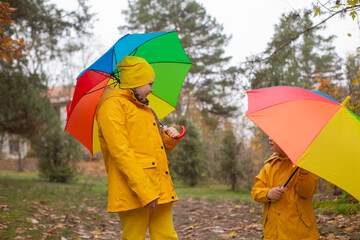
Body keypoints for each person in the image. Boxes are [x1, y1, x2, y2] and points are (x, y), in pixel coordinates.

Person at [95, 56, 180, 240]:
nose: (151, 89)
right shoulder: (111, 106)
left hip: (159, 186)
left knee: (167, 236)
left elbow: (155, 151)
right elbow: (121, 152)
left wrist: (169, 139)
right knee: (134, 236)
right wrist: (145, 191)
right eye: (149, 84)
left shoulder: (145, 108)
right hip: (133, 190)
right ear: (134, 82)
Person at [251, 137, 319, 240]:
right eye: (269, 135)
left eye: (274, 136)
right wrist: (268, 193)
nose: (269, 138)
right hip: (273, 232)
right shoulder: (269, 166)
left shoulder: (304, 164)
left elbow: (306, 192)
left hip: (299, 232)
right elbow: (255, 192)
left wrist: (304, 175)